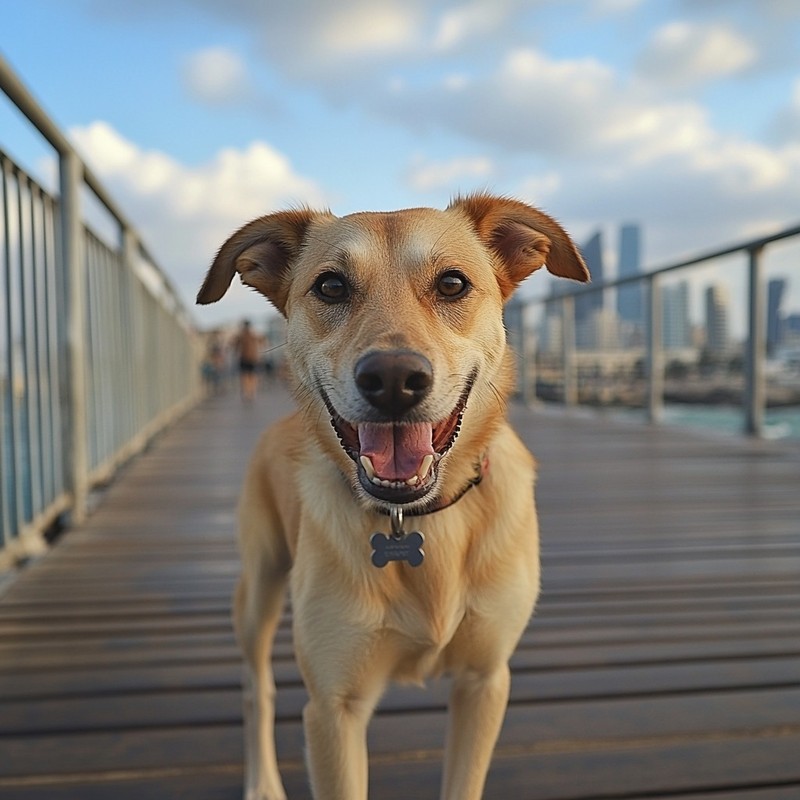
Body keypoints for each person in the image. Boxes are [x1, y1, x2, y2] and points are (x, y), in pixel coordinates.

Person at [235, 320, 261, 401]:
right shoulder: (253, 335)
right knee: (252, 375)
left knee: (245, 376)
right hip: (253, 358)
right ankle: (252, 392)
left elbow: (236, 346)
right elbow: (259, 344)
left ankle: (247, 392)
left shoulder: (241, 335)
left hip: (244, 358)